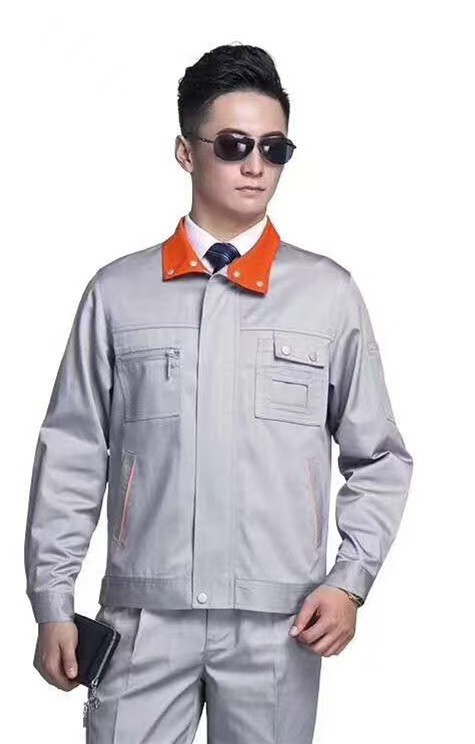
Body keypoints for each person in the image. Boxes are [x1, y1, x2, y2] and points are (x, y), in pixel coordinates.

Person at [25, 42, 414, 743]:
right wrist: (52, 600)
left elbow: (379, 456)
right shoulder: (118, 293)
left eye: (274, 148)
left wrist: (348, 580)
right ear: (186, 152)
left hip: (279, 627)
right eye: (234, 145)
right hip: (142, 623)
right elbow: (73, 453)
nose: (255, 165)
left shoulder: (326, 295)